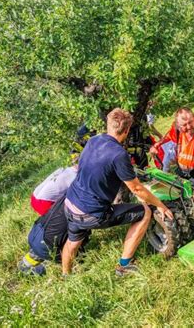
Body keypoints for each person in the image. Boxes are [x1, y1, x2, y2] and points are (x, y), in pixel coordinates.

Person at [61, 108, 174, 276]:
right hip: (91, 213)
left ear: (108, 125)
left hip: (70, 204)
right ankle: (124, 265)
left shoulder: (93, 141)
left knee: (73, 241)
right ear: (127, 131)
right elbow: (136, 189)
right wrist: (161, 205)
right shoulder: (119, 155)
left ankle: (65, 275)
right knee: (145, 212)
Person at [149, 107, 194, 189]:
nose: (189, 127)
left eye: (191, 122)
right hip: (182, 171)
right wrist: (156, 145)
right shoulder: (176, 128)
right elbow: (168, 137)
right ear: (178, 125)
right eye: (184, 125)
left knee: (190, 195)